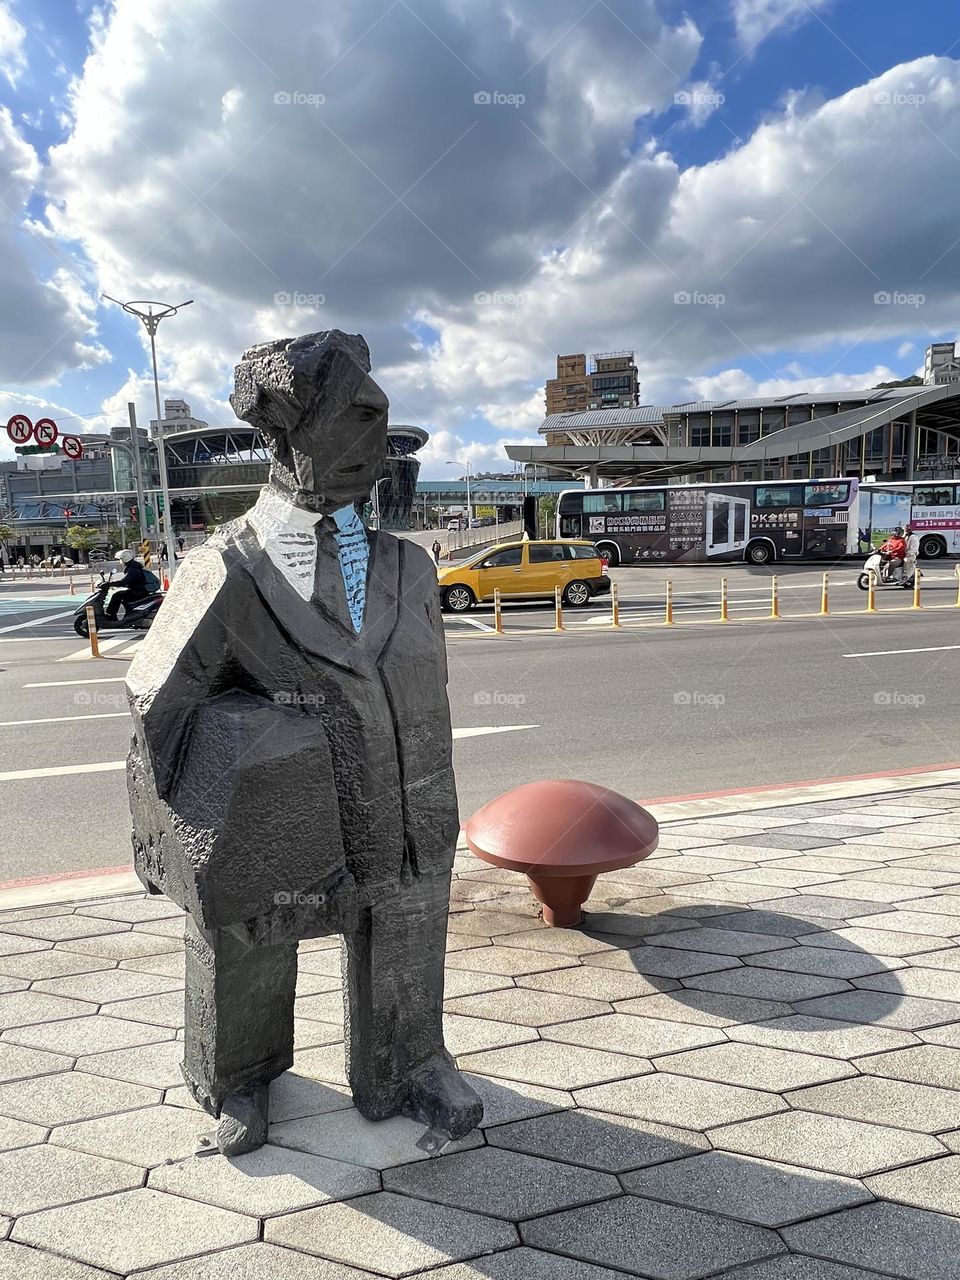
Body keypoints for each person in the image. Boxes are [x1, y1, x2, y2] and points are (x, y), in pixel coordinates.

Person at [104, 548, 150, 619]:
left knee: (117, 595)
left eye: (121, 559)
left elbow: (125, 581)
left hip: (138, 592)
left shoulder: (133, 569)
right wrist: (113, 584)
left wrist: (111, 584)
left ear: (125, 559)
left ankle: (111, 616)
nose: (120, 561)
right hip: (137, 590)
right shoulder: (132, 567)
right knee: (120, 594)